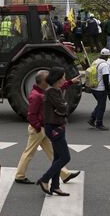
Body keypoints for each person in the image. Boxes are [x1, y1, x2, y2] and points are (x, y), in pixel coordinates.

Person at [15, 70, 81, 185]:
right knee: (30, 152)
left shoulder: (43, 91)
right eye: (48, 79)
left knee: (52, 152)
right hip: (38, 129)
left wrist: (70, 82)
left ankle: (65, 174)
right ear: (43, 82)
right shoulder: (36, 96)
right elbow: (31, 115)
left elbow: (57, 87)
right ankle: (19, 176)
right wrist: (38, 128)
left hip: (43, 127)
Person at [36, 67, 72, 197]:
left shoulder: (56, 90)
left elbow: (62, 108)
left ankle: (55, 186)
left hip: (58, 126)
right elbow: (63, 107)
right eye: (63, 76)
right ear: (57, 78)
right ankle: (45, 179)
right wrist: (63, 106)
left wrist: (62, 107)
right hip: (54, 127)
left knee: (57, 157)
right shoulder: (51, 91)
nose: (64, 79)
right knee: (65, 157)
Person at [88, 48, 110, 131]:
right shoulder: (105, 65)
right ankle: (99, 124)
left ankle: (92, 119)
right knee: (102, 106)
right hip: (101, 89)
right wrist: (107, 89)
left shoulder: (95, 62)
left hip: (94, 87)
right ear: (107, 56)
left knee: (100, 104)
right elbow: (105, 78)